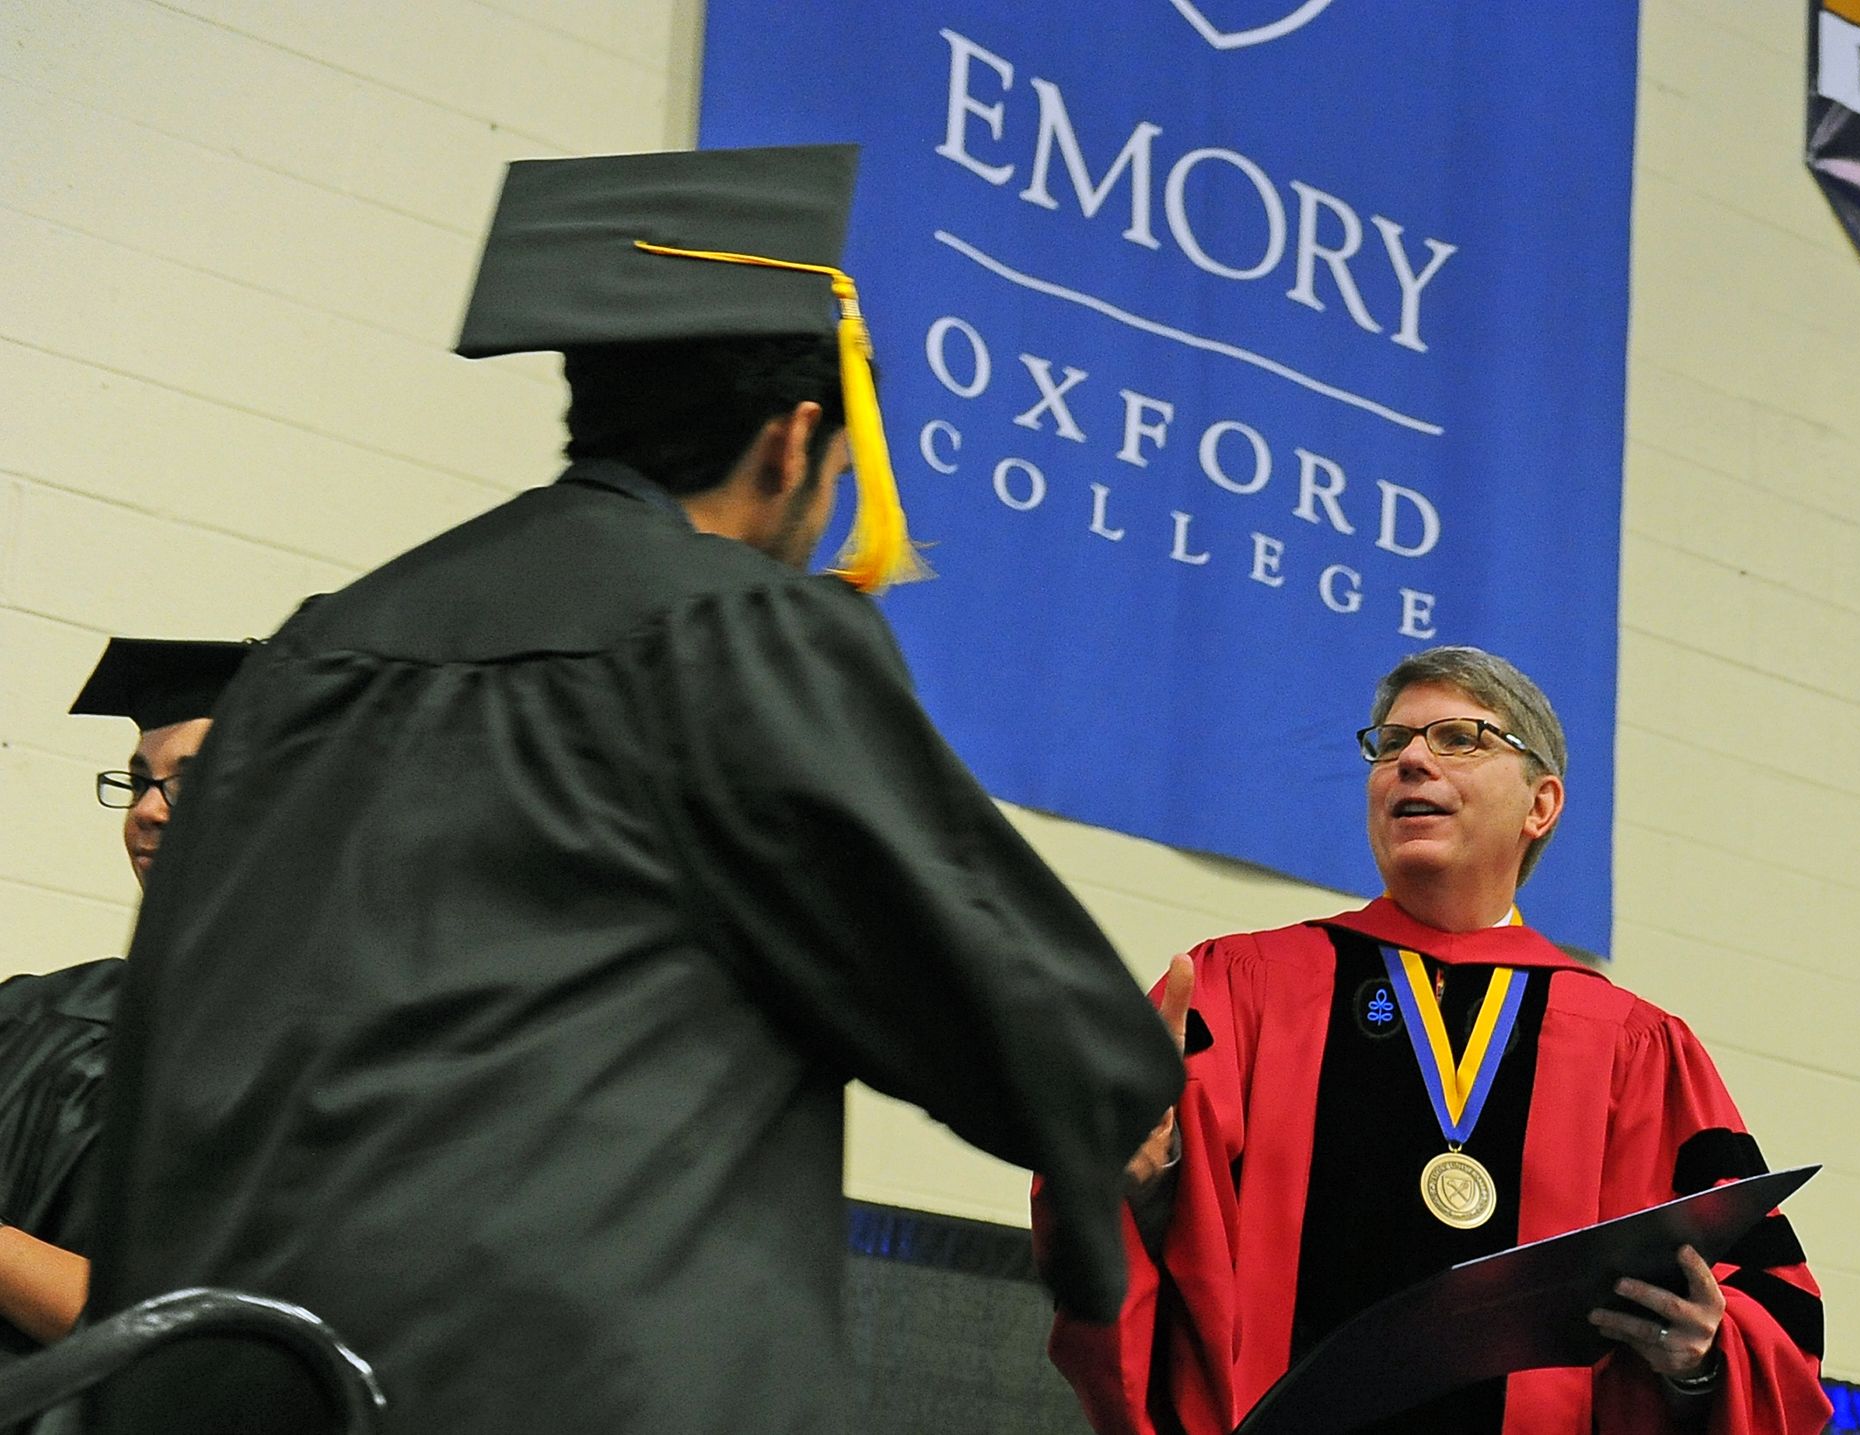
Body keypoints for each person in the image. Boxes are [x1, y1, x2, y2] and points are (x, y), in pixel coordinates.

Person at [86, 144, 1182, 1435]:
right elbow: (1001, 994)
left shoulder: (306, 656)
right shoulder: (735, 632)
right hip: (566, 1379)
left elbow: (163, 1041)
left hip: (228, 1385)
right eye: (836, 484)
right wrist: (1109, 1106)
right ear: (793, 441)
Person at [1042, 646, 1829, 1434]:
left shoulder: (1637, 1048)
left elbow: (1768, 1309)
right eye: (1390, 743)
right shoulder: (1245, 987)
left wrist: (1703, 1357)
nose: (1411, 759)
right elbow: (1126, 1238)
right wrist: (1138, 1178)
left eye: (1458, 738)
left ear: (1540, 805)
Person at [0, 639, 249, 1363]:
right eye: (138, 779)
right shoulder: (35, 1010)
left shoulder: (310, 1057)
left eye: (189, 782)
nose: (146, 810)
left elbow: (199, 1341)